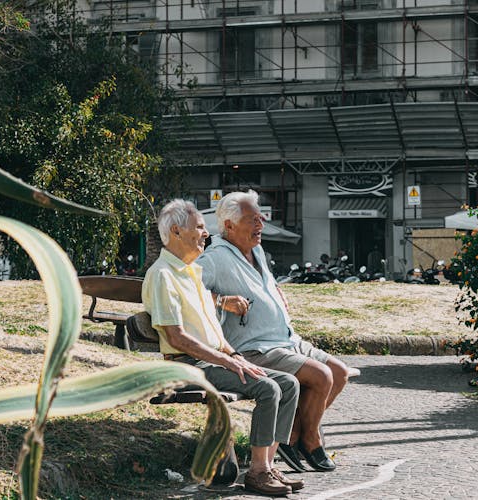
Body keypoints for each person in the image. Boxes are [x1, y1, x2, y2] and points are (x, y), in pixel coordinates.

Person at [142, 199, 304, 496]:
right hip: (187, 365)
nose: (207, 233)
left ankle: (266, 465)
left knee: (288, 383)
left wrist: (234, 356)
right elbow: (177, 337)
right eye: (200, 227)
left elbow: (212, 332)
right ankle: (256, 473)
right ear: (177, 231)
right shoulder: (163, 274)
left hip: (211, 361)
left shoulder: (191, 272)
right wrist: (228, 361)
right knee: (268, 388)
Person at [196, 190, 351, 473]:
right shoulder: (214, 257)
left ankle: (293, 435)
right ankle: (309, 439)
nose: (260, 225)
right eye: (252, 220)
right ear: (229, 226)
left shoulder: (256, 250)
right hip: (256, 348)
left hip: (287, 339)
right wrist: (221, 300)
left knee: (339, 373)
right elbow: (189, 290)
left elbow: (260, 283)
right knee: (321, 376)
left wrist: (273, 290)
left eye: (260, 218)